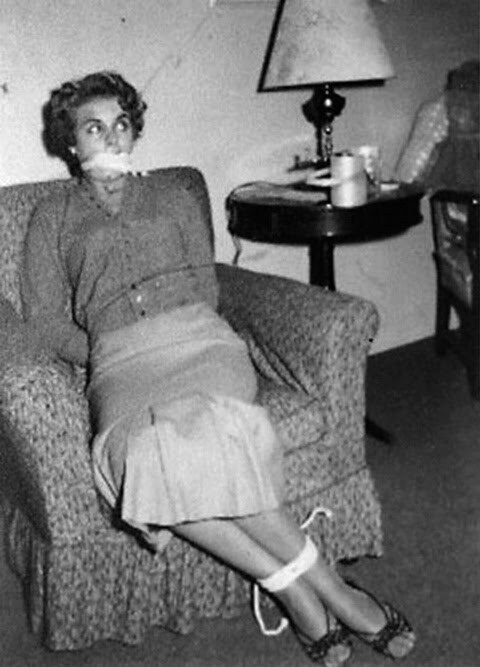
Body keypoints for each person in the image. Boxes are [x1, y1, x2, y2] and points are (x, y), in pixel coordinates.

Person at [21, 70, 416, 665]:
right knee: (142, 459)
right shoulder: (50, 217)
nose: (111, 138)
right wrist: (104, 349)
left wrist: (174, 326)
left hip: (201, 345)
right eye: (93, 128)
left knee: (211, 439)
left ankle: (320, 596)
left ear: (134, 133)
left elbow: (206, 287)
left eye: (120, 125)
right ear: (71, 143)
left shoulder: (173, 195)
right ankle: (310, 587)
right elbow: (44, 322)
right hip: (120, 363)